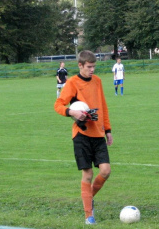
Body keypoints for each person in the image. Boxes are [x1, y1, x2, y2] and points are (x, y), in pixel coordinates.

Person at [54, 50, 113, 224]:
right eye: (89, 67)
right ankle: (89, 216)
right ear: (80, 65)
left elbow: (103, 106)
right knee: (87, 174)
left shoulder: (97, 81)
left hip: (98, 134)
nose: (92, 70)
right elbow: (58, 105)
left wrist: (108, 130)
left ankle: (88, 198)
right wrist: (72, 111)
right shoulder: (72, 83)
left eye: (94, 66)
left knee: (105, 171)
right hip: (81, 134)